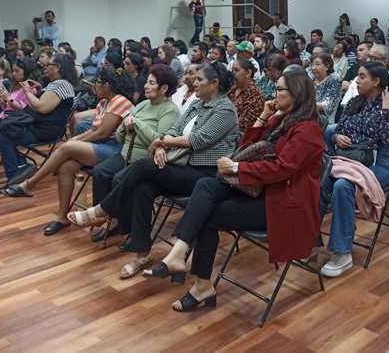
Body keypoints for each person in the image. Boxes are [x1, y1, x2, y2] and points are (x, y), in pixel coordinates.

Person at [136, 65, 324, 313]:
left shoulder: (308, 130)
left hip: (282, 205)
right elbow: (246, 147)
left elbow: (282, 169)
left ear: (297, 94)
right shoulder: (282, 120)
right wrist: (262, 118)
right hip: (262, 191)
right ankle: (181, 254)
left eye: (279, 90)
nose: (274, 94)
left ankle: (199, 281)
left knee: (207, 213)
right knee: (206, 186)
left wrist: (236, 169)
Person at [66, 62, 239, 281]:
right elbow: (174, 130)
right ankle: (141, 254)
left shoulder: (225, 109)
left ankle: (103, 210)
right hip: (181, 165)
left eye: (199, 80)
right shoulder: (197, 104)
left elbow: (199, 140)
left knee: (145, 167)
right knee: (143, 188)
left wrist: (162, 142)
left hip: (203, 173)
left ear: (215, 84)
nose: (193, 82)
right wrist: (160, 145)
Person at [2, 68, 137, 235]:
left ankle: (30, 183)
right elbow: (94, 130)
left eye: (97, 83)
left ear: (107, 86)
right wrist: (75, 140)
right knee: (65, 167)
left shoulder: (119, 101)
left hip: (116, 151)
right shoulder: (103, 102)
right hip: (102, 146)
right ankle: (61, 217)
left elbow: (103, 133)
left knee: (66, 147)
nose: (94, 87)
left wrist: (73, 144)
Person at [319, 62, 389, 277]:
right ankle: (309, 242)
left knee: (343, 186)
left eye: (363, 76)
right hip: (347, 160)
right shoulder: (356, 102)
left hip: (377, 164)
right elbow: (340, 128)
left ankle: (342, 252)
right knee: (317, 183)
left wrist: (385, 110)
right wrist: (337, 136)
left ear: (376, 81)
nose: (357, 80)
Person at [88, 66, 181, 242]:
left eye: (152, 83)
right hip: (125, 154)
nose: (145, 86)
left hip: (144, 162)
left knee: (119, 179)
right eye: (147, 81)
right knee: (100, 172)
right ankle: (107, 217)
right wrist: (125, 126)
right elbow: (121, 137)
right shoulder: (143, 105)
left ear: (164, 89)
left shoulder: (170, 110)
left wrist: (137, 124)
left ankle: (124, 225)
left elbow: (160, 141)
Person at [0, 54, 77, 182]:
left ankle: (14, 176)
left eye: (49, 64)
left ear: (57, 67)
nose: (45, 66)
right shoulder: (57, 84)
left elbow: (41, 107)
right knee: (4, 130)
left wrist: (27, 91)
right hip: (40, 126)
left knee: (4, 137)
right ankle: (21, 166)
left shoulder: (61, 85)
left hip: (45, 130)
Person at [228, 60, 265, 132]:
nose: (233, 73)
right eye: (232, 70)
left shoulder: (255, 95)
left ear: (248, 73)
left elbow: (244, 125)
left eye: (236, 70)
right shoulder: (232, 88)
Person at [311, 54, 342, 123]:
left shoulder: (333, 81)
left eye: (317, 64)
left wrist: (308, 104)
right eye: (312, 65)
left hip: (324, 121)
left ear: (327, 66)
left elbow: (328, 105)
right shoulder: (310, 80)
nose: (313, 67)